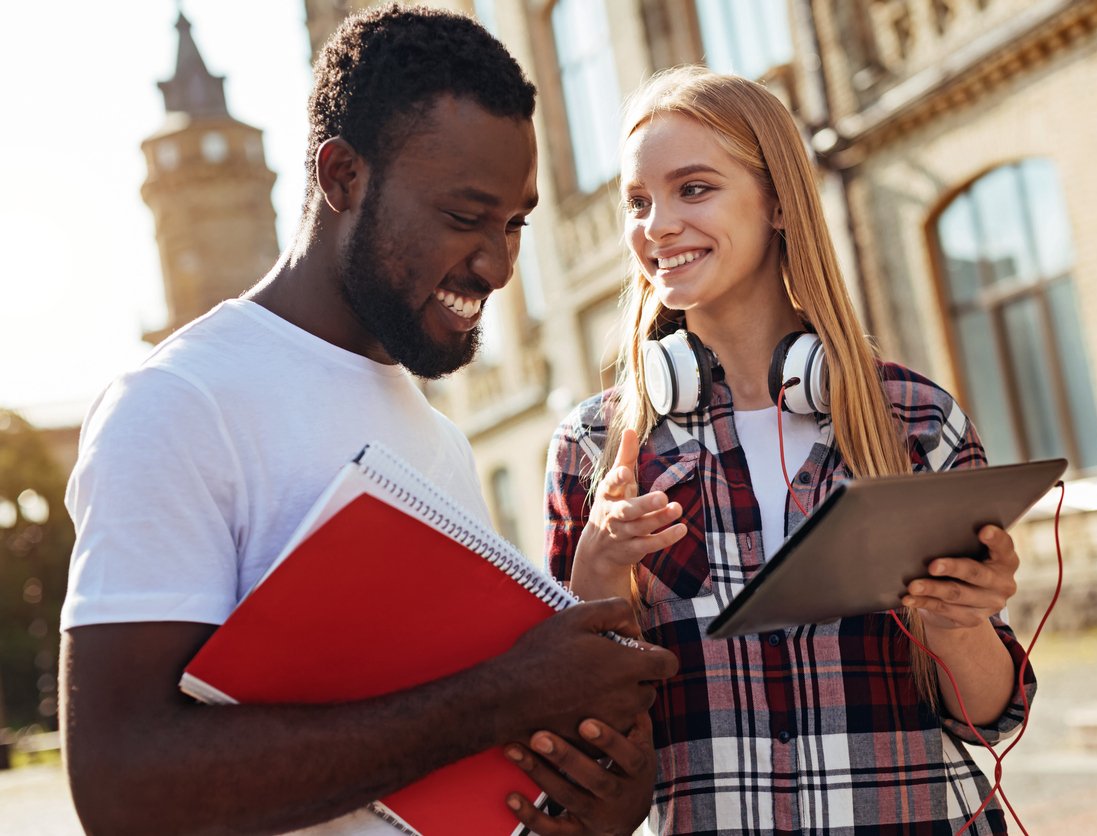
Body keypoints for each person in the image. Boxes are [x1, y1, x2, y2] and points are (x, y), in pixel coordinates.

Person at [59, 7, 676, 835]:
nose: (497, 264)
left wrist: (592, 800)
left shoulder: (439, 437)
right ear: (342, 177)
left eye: (514, 223)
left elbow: (447, 775)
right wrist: (505, 697)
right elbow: (121, 790)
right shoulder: (177, 405)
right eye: (465, 217)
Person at [533, 66, 1035, 835]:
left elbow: (991, 719)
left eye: (693, 189)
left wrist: (959, 623)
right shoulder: (592, 450)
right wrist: (599, 570)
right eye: (638, 202)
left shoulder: (914, 419)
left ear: (776, 202)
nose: (656, 225)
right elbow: (576, 742)